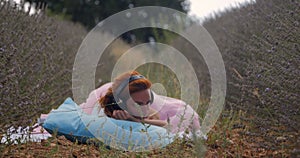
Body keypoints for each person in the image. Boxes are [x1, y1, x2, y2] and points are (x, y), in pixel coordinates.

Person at [79, 70, 201, 135]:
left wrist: (136, 120)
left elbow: (167, 126)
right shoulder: (98, 108)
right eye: (138, 104)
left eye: (148, 102)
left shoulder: (149, 105)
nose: (145, 109)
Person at [98, 71, 167, 127]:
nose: (146, 110)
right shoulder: (103, 118)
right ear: (121, 105)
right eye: (138, 105)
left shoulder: (150, 112)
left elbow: (166, 125)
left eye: (148, 102)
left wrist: (134, 120)